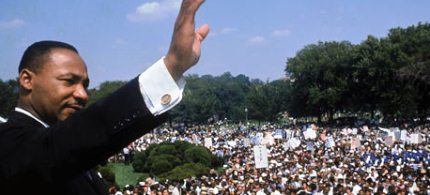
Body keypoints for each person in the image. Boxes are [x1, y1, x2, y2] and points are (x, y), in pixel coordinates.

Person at [0, 0, 209, 194]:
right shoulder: (10, 144)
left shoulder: (74, 158)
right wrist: (173, 66)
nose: (82, 94)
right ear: (27, 80)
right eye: (68, 81)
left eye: (85, 84)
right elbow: (74, 138)